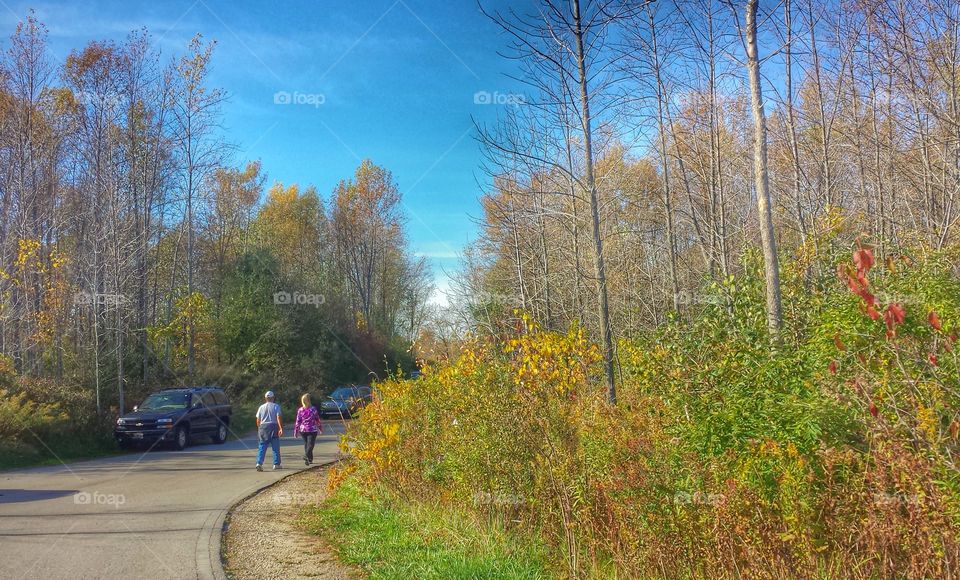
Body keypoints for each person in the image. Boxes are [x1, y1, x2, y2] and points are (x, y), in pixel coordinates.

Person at [255, 390, 283, 471]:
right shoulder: (276, 406)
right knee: (275, 446)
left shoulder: (261, 407)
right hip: (273, 426)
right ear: (273, 398)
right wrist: (280, 428)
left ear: (265, 398)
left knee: (262, 446)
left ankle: (259, 463)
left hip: (263, 427)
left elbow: (258, 419)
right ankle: (276, 464)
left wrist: (259, 428)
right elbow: (278, 417)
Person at [293, 394, 322, 466]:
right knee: (310, 444)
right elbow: (317, 419)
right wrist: (320, 428)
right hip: (309, 430)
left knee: (308, 444)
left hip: (305, 430)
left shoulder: (302, 409)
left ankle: (309, 459)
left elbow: (298, 421)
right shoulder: (312, 409)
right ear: (309, 400)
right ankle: (306, 456)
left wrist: (296, 431)